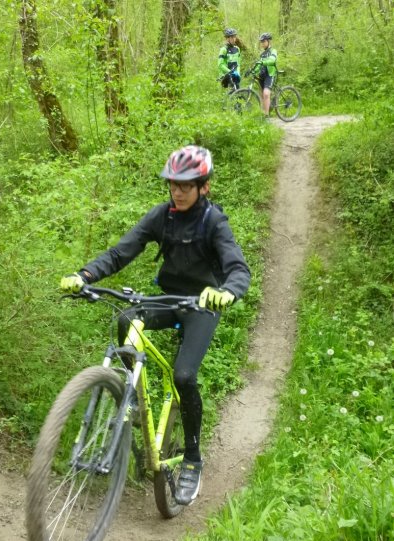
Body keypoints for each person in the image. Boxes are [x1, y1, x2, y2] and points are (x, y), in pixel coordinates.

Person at [60, 145, 251, 506]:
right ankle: (132, 398)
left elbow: (238, 269)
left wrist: (226, 292)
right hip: (166, 300)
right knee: (126, 318)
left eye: (185, 185)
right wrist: (84, 274)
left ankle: (193, 457)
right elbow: (121, 252)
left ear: (203, 186)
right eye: (172, 185)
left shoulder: (214, 223)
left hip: (200, 306)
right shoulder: (161, 217)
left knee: (183, 377)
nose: (176, 191)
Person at [252, 32, 278, 117]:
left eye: (264, 42)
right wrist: (253, 70)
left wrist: (263, 62)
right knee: (262, 95)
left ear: (268, 41)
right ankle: (265, 111)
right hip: (262, 76)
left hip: (270, 75)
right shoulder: (262, 54)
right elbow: (259, 65)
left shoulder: (273, 51)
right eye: (261, 42)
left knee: (266, 94)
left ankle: (266, 115)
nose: (262, 44)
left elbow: (272, 60)